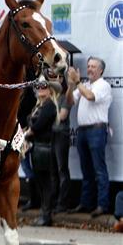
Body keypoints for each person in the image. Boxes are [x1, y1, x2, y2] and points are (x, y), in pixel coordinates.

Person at [67, 57, 112, 217]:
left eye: (93, 66)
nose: (90, 69)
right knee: (86, 170)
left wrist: (77, 82)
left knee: (99, 170)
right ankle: (86, 203)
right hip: (83, 131)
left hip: (96, 131)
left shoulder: (103, 85)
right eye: (88, 66)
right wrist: (71, 85)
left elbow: (91, 97)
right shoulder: (84, 84)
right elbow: (69, 101)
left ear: (101, 70)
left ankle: (102, 205)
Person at [25, 85, 57, 226]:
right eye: (38, 87)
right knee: (41, 182)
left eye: (44, 87)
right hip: (37, 146)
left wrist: (26, 134)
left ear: (50, 91)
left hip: (45, 147)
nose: (40, 89)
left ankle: (46, 215)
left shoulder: (49, 106)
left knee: (46, 183)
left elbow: (38, 126)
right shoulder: (39, 106)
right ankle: (44, 213)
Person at [50, 77, 74, 213]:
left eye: (57, 78)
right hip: (50, 134)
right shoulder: (49, 97)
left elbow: (63, 116)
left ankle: (63, 202)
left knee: (61, 169)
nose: (54, 80)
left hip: (61, 135)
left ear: (61, 80)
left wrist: (47, 113)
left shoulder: (65, 97)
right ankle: (53, 201)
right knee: (53, 170)